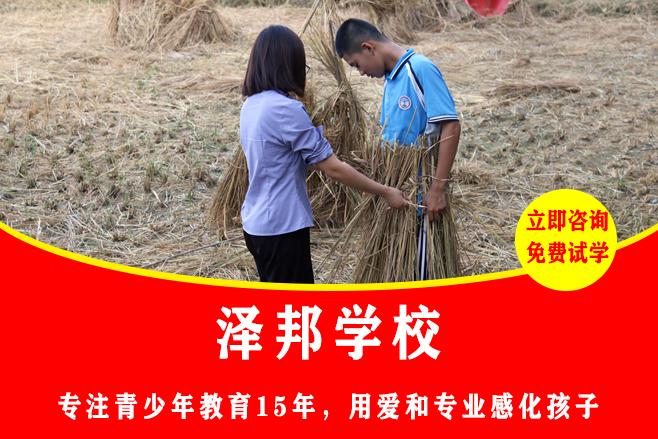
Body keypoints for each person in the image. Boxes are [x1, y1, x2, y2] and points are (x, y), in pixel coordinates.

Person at [240, 24, 408, 284]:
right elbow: (333, 168)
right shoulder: (285, 109)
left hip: (256, 224)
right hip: (282, 227)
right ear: (289, 64)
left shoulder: (251, 105)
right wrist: (385, 191)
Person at [335, 18, 461, 280]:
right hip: (397, 196)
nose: (360, 72)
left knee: (422, 274)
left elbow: (450, 125)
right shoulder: (391, 80)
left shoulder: (420, 69)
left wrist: (437, 189)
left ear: (368, 47)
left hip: (420, 198)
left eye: (356, 64)